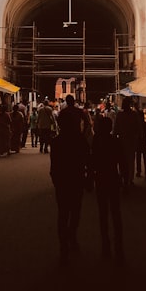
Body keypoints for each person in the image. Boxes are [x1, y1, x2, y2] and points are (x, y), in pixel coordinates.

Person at [50, 94, 92, 265]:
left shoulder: (57, 141)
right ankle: (72, 237)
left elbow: (54, 164)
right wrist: (88, 177)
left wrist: (55, 179)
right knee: (75, 210)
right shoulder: (80, 139)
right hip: (76, 178)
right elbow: (87, 160)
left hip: (62, 179)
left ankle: (63, 245)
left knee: (63, 212)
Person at [90, 111, 124, 263]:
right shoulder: (115, 141)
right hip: (113, 177)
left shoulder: (97, 141)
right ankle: (119, 247)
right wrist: (125, 180)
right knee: (116, 213)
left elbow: (92, 161)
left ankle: (106, 245)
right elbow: (122, 162)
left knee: (103, 213)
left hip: (101, 178)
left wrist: (90, 179)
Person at [114, 97, 140, 192]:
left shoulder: (120, 115)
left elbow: (115, 129)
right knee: (130, 161)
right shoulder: (134, 115)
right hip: (131, 141)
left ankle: (124, 178)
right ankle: (129, 179)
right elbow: (138, 128)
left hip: (122, 141)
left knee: (122, 161)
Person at [135, 102, 146, 180]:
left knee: (138, 157)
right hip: (144, 142)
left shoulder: (137, 125)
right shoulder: (145, 124)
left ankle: (139, 171)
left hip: (139, 142)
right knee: (145, 158)